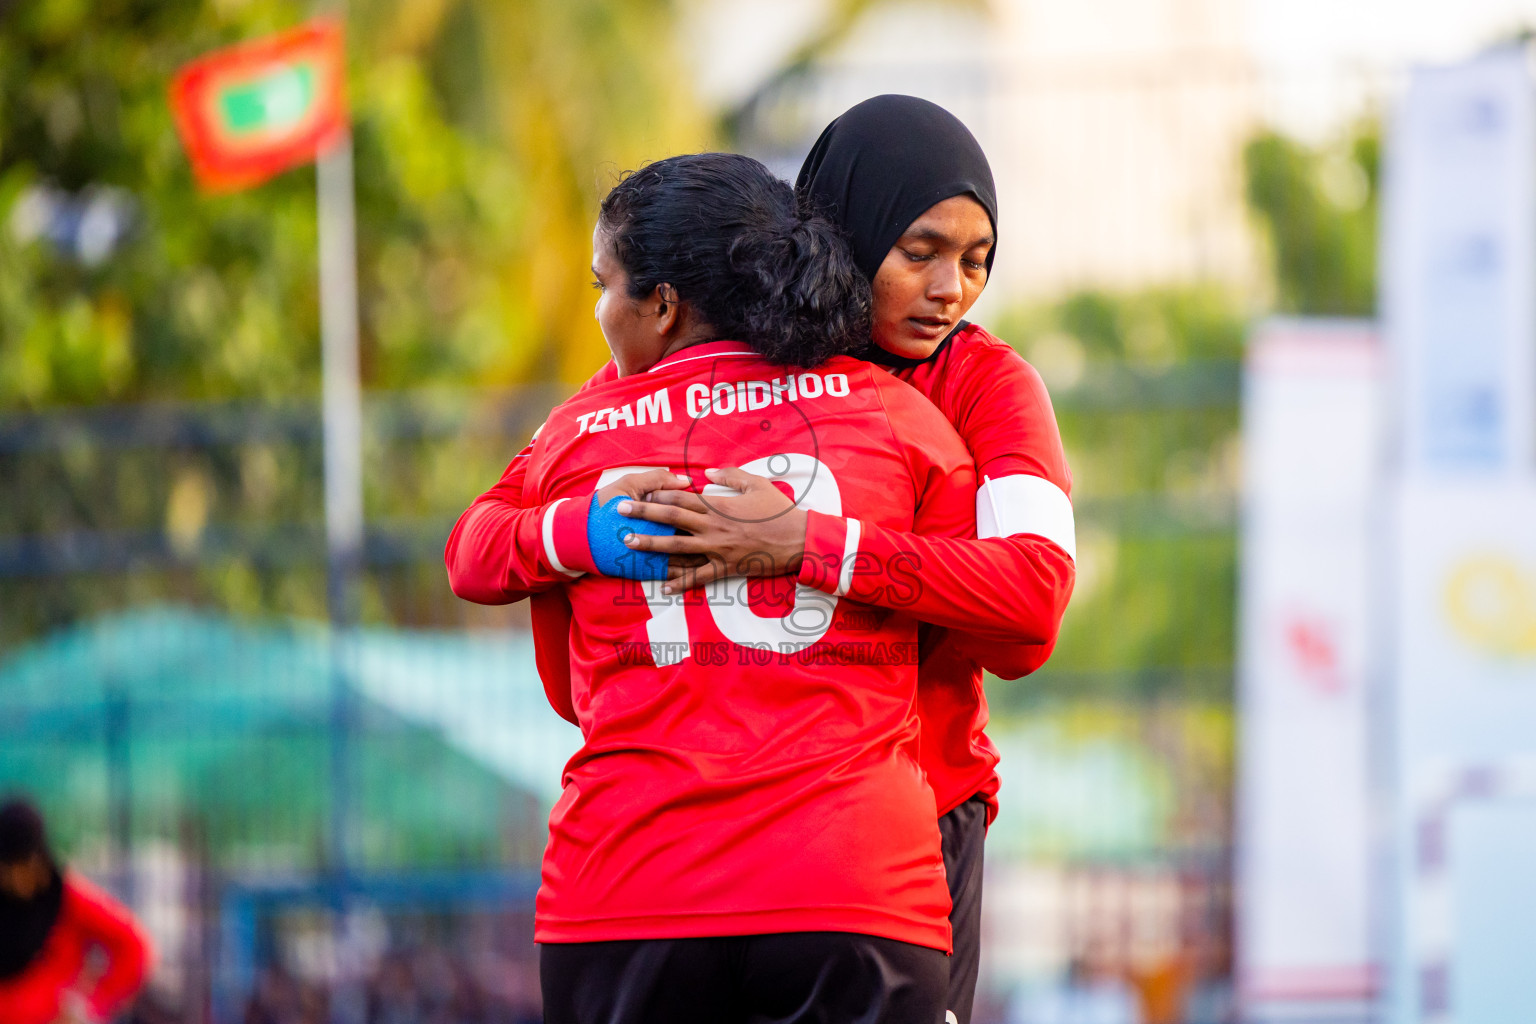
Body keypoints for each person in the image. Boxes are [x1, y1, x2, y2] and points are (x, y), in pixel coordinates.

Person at [447, 152, 981, 1024]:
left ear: (661, 304)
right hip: (854, 890)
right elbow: (982, 613)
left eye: (603, 284)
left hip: (627, 887)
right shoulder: (900, 414)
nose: (598, 310)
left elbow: (471, 554)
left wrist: (576, 533)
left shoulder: (581, 429)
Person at [615, 95, 1077, 1024]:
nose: (951, 289)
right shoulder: (732, 354)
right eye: (921, 253)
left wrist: (808, 546)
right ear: (843, 228)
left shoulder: (990, 387)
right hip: (710, 830)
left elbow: (1031, 606)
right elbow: (500, 520)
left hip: (906, 834)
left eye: (976, 261)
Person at [0, 797, 153, 1024]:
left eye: (22, 866)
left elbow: (134, 946)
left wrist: (92, 1004)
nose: (15, 878)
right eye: (7, 868)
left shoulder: (66, 899)